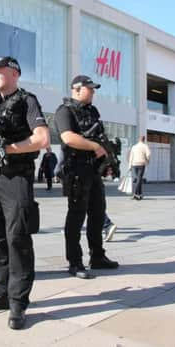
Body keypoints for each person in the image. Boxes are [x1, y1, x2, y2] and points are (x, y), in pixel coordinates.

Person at [0, 56, 49, 330]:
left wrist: (8, 149)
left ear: (15, 74)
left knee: (18, 241)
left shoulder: (27, 101)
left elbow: (42, 139)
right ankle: (1, 292)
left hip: (16, 179)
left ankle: (18, 303)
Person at [54, 74, 119, 281]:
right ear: (76, 89)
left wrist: (107, 160)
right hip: (76, 171)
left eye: (93, 89)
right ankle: (75, 261)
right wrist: (94, 147)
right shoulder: (64, 111)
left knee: (98, 214)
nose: (93, 92)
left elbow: (101, 136)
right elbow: (68, 138)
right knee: (76, 217)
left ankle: (97, 256)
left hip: (93, 170)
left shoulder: (92, 111)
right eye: (89, 88)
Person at [128, 136, 151, 200]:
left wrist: (129, 166)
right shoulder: (145, 146)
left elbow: (131, 156)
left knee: (138, 178)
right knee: (139, 179)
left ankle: (140, 194)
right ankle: (135, 194)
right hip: (141, 163)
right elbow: (148, 154)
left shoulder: (134, 146)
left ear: (138, 139)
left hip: (135, 164)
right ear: (144, 139)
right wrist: (147, 160)